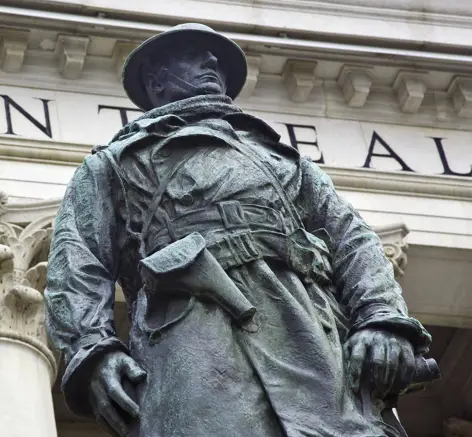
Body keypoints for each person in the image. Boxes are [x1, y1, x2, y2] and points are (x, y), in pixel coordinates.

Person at [44, 23, 432, 437]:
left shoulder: (285, 161)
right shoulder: (114, 164)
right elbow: (78, 261)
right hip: (195, 344)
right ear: (155, 79)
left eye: (214, 57)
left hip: (313, 340)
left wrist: (381, 318)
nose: (211, 62)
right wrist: (93, 348)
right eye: (193, 54)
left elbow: (351, 238)